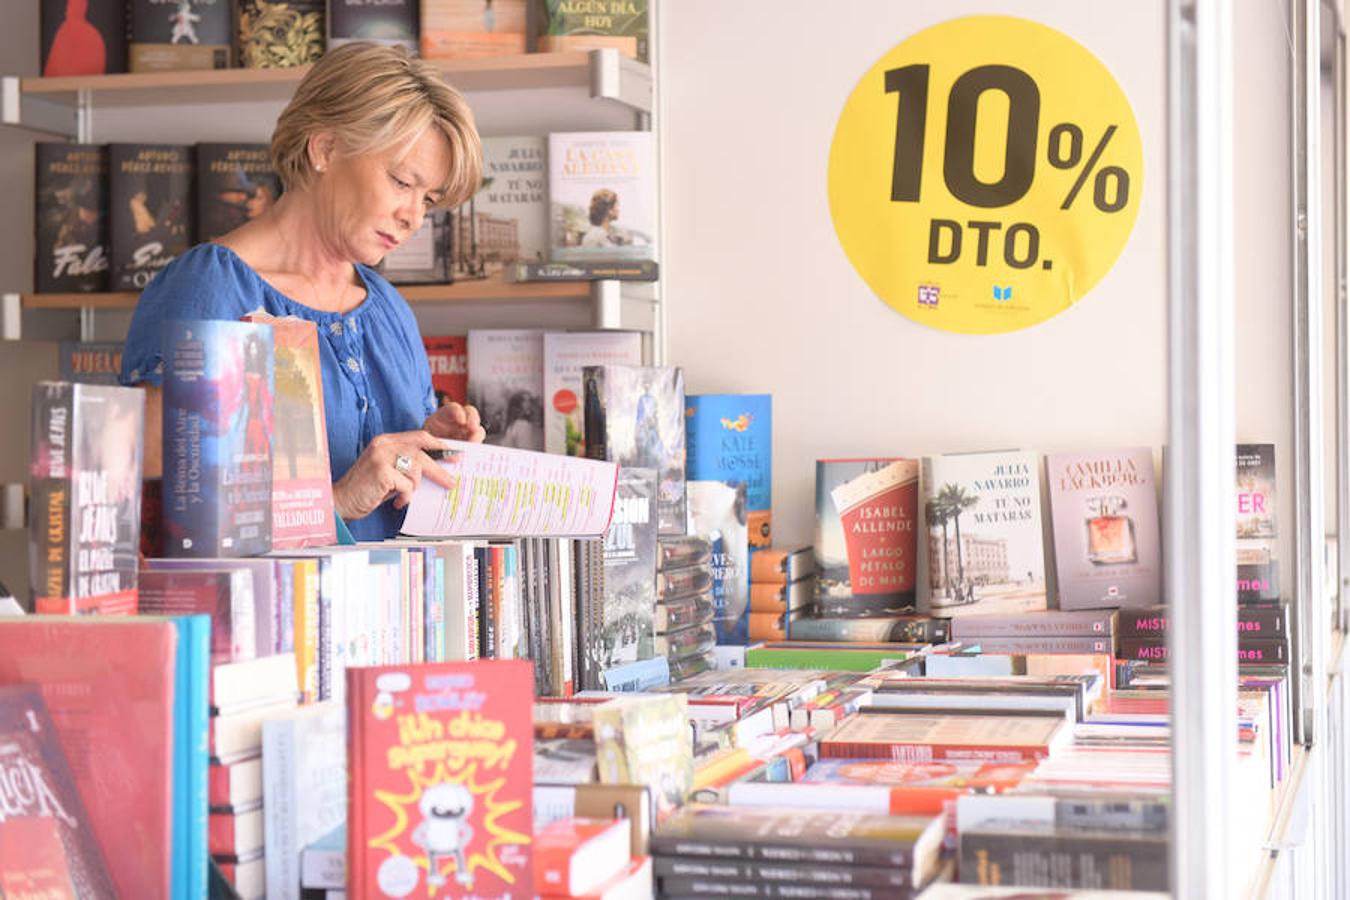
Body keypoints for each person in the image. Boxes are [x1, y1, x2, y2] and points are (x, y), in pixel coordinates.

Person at [120, 42, 487, 540]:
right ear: (325, 148)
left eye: (429, 199)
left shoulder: (389, 311)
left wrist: (433, 447)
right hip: (269, 614)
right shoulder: (210, 288)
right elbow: (166, 519)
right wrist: (336, 501)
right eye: (402, 182)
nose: (414, 217)